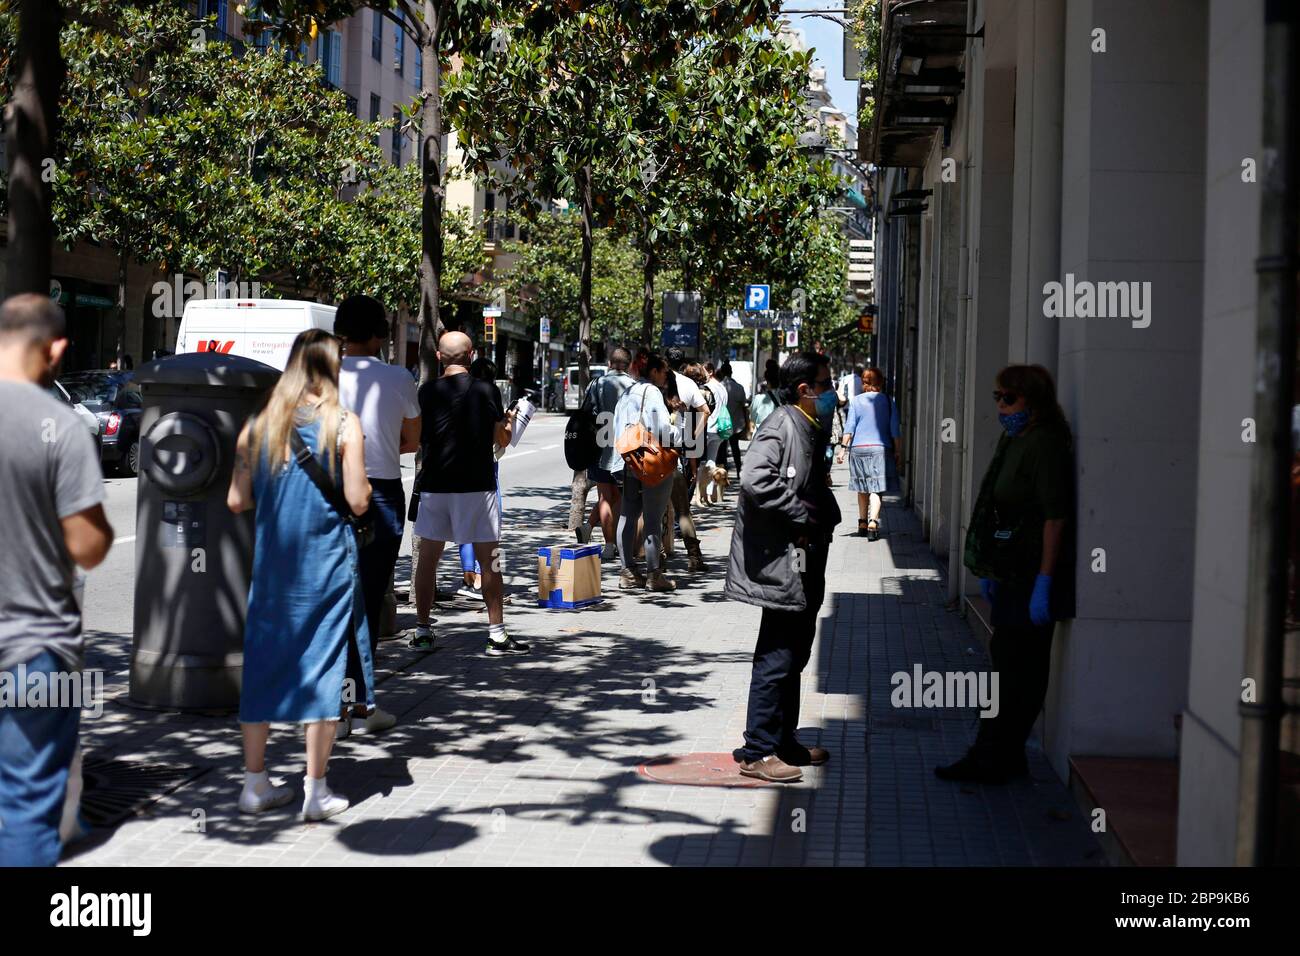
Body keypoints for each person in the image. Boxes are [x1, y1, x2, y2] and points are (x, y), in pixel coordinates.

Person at [227, 328, 374, 822]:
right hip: (326, 566)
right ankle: (315, 791)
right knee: (323, 669)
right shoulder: (344, 424)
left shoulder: (259, 425)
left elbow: (235, 500)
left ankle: (254, 784)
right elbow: (356, 499)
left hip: (272, 568)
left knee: (262, 665)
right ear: (333, 369)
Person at [0, 295, 113, 866]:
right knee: (23, 812)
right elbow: (88, 549)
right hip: (33, 651)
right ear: (57, 348)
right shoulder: (59, 426)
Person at [936, 364, 1075, 784]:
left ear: (1033, 401)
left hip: (1033, 572)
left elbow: (1055, 517)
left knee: (1021, 672)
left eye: (1008, 398)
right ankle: (996, 753)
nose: (1000, 406)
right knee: (1004, 666)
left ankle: (996, 756)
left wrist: (1045, 582)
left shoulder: (1046, 443)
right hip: (1012, 570)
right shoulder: (1014, 439)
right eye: (997, 397)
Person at [726, 351, 841, 783]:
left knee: (795, 649)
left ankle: (783, 739)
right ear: (804, 390)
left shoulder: (807, 426)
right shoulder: (782, 425)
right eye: (825, 385)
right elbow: (756, 479)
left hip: (804, 556)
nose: (831, 393)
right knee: (777, 651)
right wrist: (800, 513)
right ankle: (757, 751)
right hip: (784, 560)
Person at [411, 332, 526, 655]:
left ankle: (422, 630)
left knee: (427, 561)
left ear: (439, 357)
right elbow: (501, 440)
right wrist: (508, 422)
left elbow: (417, 437)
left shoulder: (426, 392)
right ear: (472, 355)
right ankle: (497, 634)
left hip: (435, 485)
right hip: (477, 486)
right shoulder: (485, 389)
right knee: (490, 560)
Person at [336, 294, 419, 735]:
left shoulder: (321, 377)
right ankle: (361, 704)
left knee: (331, 600)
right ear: (377, 334)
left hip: (329, 493)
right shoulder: (399, 377)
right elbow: (411, 440)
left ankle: (334, 709)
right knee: (367, 601)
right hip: (381, 493)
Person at [612, 353, 681, 593]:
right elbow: (662, 429)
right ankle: (654, 575)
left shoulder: (627, 392)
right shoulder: (652, 393)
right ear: (653, 371)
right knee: (652, 519)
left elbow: (617, 427)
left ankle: (627, 571)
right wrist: (680, 432)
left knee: (627, 516)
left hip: (629, 461)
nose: (665, 376)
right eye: (663, 371)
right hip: (651, 463)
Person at [455, 358, 505, 600]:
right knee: (489, 526)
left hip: (457, 467)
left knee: (464, 524)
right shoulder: (489, 394)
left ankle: (468, 575)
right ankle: (483, 578)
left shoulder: (457, 394)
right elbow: (501, 439)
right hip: (485, 468)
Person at [836, 366, 902, 539]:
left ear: (864, 383)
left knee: (862, 487)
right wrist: (898, 451)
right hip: (880, 448)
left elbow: (849, 427)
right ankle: (873, 521)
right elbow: (895, 429)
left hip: (858, 449)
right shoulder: (888, 401)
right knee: (876, 488)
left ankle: (862, 522)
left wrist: (843, 450)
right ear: (880, 382)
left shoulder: (856, 401)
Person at [584, 347, 635, 559]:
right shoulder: (634, 386)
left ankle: (608, 545)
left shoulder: (596, 384)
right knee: (623, 497)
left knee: (605, 497)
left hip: (600, 446)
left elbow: (586, 412)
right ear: (629, 364)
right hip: (626, 448)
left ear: (609, 363)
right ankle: (622, 543)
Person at [665, 346, 710, 573]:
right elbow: (705, 411)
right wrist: (694, 435)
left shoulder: (654, 383)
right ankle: (694, 557)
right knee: (682, 509)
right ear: (683, 364)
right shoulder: (688, 384)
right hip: (676, 451)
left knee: (649, 509)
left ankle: (652, 559)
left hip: (652, 450)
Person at [718, 362, 748, 474]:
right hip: (735, 424)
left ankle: (722, 472)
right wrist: (746, 423)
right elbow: (744, 406)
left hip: (721, 423)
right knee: (735, 449)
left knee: (722, 450)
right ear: (731, 372)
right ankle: (739, 471)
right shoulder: (739, 388)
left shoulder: (718, 387)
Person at [749, 360, 781, 431]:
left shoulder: (758, 399)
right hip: (780, 437)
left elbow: (752, 418)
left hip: (761, 438)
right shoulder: (785, 398)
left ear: (767, 380)